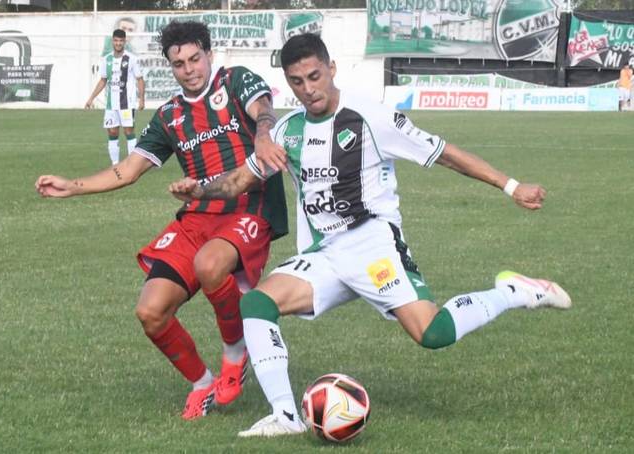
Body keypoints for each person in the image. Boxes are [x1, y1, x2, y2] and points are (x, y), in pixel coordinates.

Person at [169, 33, 572, 437]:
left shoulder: (370, 118)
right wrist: (199, 191)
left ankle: (513, 291)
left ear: (331, 69)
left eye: (314, 76)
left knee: (433, 334)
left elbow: (445, 154)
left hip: (373, 246)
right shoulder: (288, 131)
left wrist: (511, 186)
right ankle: (286, 416)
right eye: (297, 81)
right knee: (257, 304)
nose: (308, 89)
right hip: (324, 254)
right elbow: (239, 180)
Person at [36, 21, 288, 420]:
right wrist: (73, 186)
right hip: (197, 216)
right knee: (150, 312)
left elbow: (264, 110)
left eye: (195, 59)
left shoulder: (235, 81)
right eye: (179, 64)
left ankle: (235, 352)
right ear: (170, 67)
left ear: (209, 54)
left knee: (209, 264)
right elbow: (129, 170)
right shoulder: (169, 115)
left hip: (247, 208)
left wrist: (263, 135)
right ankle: (202, 383)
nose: (189, 69)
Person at [85, 29, 146, 166]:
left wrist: (141, 99)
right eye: (116, 40)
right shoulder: (106, 59)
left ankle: (132, 164)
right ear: (112, 41)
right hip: (111, 104)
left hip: (127, 103)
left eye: (121, 41)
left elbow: (140, 79)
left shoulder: (131, 59)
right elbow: (103, 80)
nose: (118, 43)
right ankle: (115, 164)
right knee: (112, 132)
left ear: (125, 42)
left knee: (128, 131)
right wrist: (91, 98)